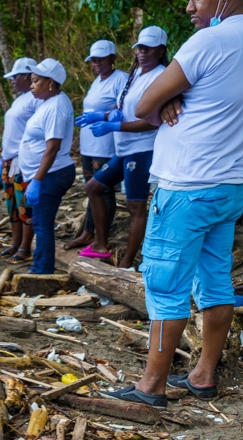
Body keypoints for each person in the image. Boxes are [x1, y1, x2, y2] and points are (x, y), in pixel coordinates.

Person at [102, 0, 243, 408]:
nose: (189, 6)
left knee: (166, 287)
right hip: (228, 183)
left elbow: (142, 105)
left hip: (186, 185)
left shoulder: (210, 40)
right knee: (215, 281)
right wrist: (174, 97)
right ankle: (203, 375)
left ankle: (151, 386)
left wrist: (163, 100)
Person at [76, 26, 168, 268]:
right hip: (124, 148)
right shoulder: (135, 73)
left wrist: (115, 127)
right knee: (93, 187)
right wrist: (103, 115)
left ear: (161, 51)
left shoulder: (162, 75)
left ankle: (127, 262)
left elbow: (153, 121)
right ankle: (101, 245)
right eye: (140, 47)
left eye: (149, 48)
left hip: (143, 148)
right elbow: (123, 109)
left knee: (136, 206)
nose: (143, 52)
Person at [64, 41, 129, 252]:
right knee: (91, 190)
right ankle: (88, 231)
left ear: (112, 58)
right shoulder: (97, 82)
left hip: (105, 145)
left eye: (101, 59)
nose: (96, 64)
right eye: (93, 60)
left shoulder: (120, 79)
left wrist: (103, 115)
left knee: (103, 190)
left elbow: (124, 107)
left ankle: (101, 236)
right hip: (89, 144)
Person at [19, 58, 76, 275]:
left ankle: (42, 271)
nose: (31, 86)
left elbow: (52, 148)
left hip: (52, 173)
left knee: (42, 225)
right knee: (40, 223)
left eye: (35, 81)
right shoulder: (49, 102)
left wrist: (37, 180)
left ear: (50, 82)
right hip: (45, 174)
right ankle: (41, 266)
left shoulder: (57, 106)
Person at [0, 57, 41, 263]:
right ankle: (15, 243)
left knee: (25, 207)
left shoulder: (35, 99)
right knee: (12, 205)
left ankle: (25, 247)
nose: (12, 81)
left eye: (15, 77)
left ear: (26, 76)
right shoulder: (18, 100)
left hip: (23, 160)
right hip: (9, 160)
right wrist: (2, 157)